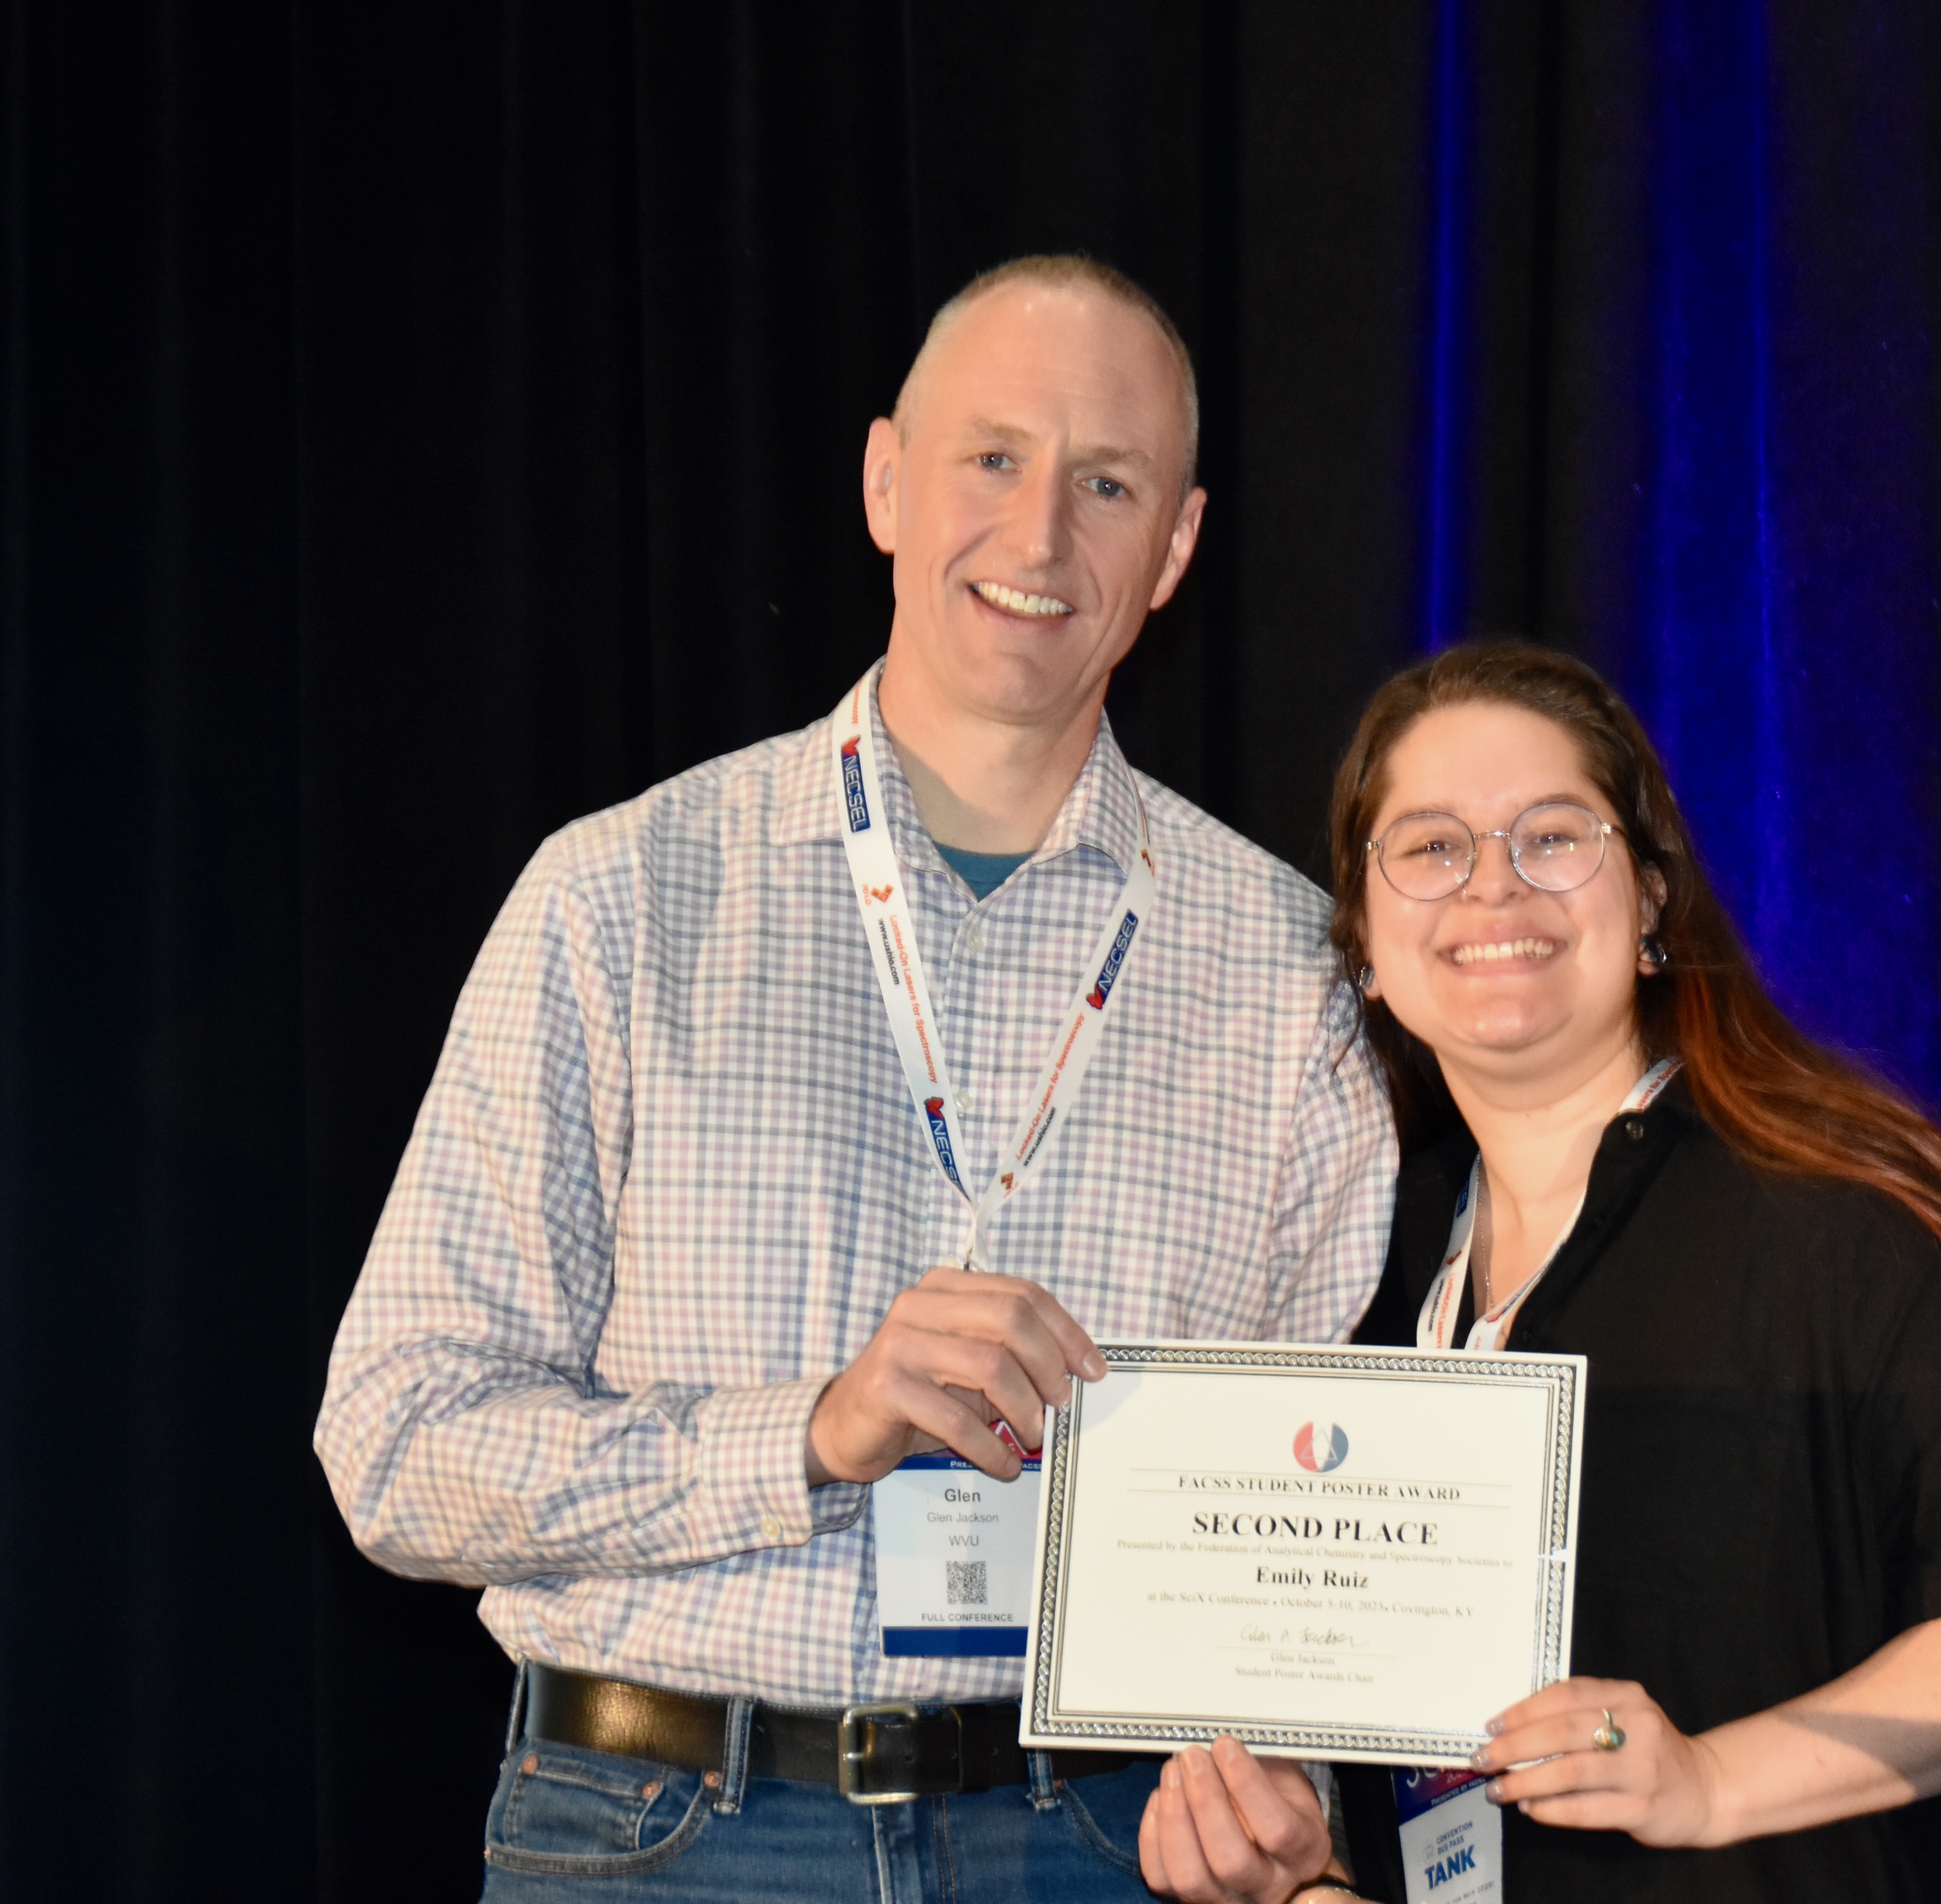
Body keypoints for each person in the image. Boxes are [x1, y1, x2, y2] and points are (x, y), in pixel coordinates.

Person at [314, 255, 1399, 1902]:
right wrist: (810, 1434)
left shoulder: (1289, 973)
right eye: (991, 458)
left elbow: (1296, 1548)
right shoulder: (622, 898)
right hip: (664, 1831)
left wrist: (1283, 1795)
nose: (1039, 534)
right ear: (885, 481)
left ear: (1175, 548)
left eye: (1106, 484)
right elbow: (396, 1443)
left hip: (1102, 1846)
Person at [1136, 642, 1941, 1903]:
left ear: (1651, 900)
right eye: (1431, 846)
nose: (1492, 885)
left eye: (1551, 836)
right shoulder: (1359, 1270)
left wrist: (1709, 1779)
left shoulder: (1845, 1226)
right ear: (1365, 943)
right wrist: (1301, 1877)